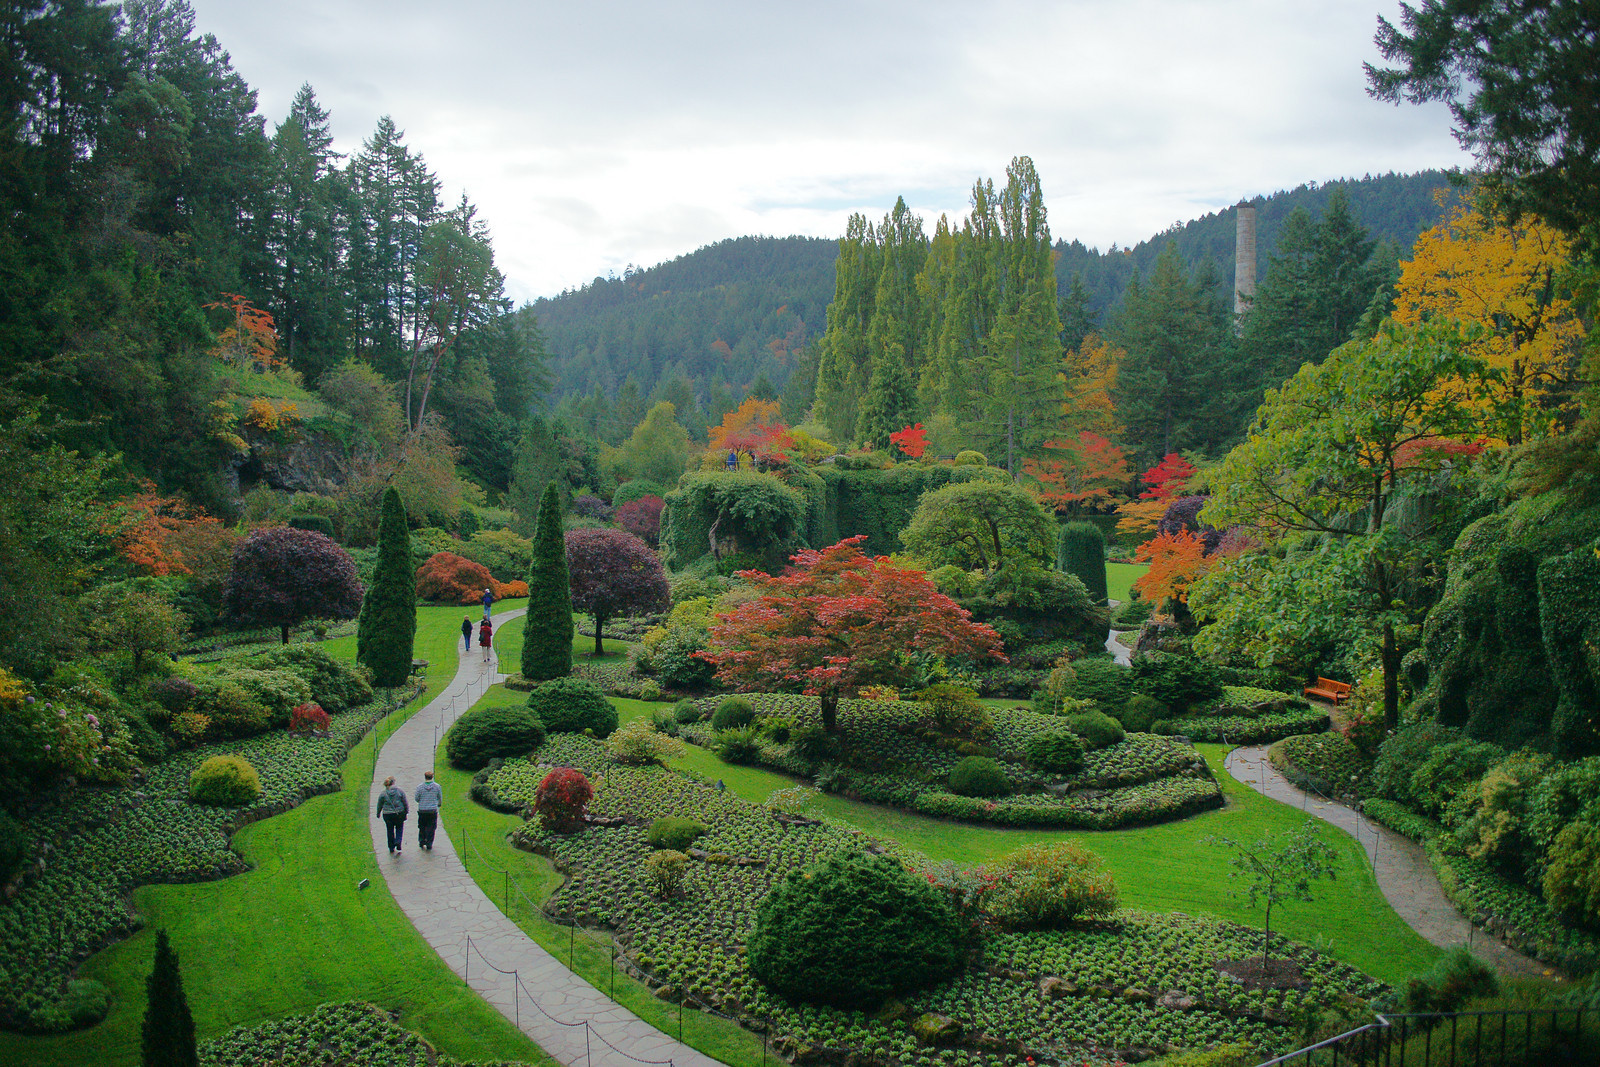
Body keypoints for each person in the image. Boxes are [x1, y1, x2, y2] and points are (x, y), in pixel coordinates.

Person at [375, 775, 409, 854]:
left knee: (389, 830)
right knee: (399, 827)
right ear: (393, 783)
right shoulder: (400, 791)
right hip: (399, 813)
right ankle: (398, 841)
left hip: (387, 814)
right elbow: (404, 802)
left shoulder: (383, 794)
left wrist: (378, 813)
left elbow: (379, 804)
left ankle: (391, 847)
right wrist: (406, 811)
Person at [415, 770, 442, 850]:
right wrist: (439, 804)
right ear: (432, 777)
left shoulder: (419, 787)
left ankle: (422, 840)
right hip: (432, 810)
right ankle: (429, 843)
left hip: (422, 810)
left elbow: (416, 798)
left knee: (422, 826)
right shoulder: (437, 786)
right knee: (431, 827)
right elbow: (439, 797)